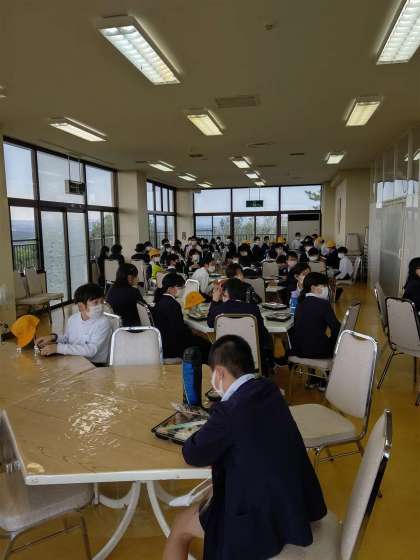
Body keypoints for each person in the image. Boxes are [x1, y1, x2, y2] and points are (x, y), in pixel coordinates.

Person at [163, 335, 327, 560]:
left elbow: (193, 454)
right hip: (293, 509)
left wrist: (203, 427)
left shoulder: (229, 412)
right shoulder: (270, 390)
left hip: (260, 524)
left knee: (180, 526)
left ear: (220, 373)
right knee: (212, 494)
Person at [35, 283, 112, 366]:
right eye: (95, 302)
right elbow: (67, 339)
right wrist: (53, 338)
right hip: (74, 359)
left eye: (102, 301)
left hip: (94, 364)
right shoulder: (73, 319)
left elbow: (91, 350)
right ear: (81, 306)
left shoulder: (103, 322)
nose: (100, 306)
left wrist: (58, 348)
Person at [208, 278, 273, 372]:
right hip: (251, 358)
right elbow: (262, 334)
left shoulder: (219, 310)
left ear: (226, 293)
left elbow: (210, 323)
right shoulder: (253, 309)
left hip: (226, 359)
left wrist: (215, 301)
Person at [292, 272, 341, 390]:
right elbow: (336, 328)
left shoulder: (300, 302)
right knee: (335, 340)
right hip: (317, 351)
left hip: (298, 349)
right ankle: (326, 379)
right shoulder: (323, 304)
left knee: (311, 336)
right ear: (313, 287)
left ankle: (313, 378)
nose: (326, 289)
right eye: (323, 286)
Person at [152, 274, 210, 361]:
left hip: (164, 343)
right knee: (206, 343)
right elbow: (180, 331)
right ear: (170, 289)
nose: (183, 289)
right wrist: (194, 332)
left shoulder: (160, 300)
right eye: (181, 287)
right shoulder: (172, 304)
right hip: (174, 347)